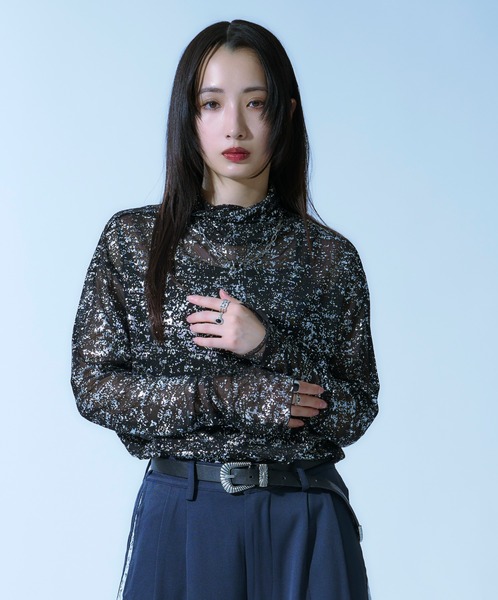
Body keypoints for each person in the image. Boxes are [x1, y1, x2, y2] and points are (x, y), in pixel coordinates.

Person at [71, 19, 379, 600]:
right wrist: (229, 396)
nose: (234, 126)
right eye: (211, 104)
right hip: (185, 511)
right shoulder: (134, 241)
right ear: (187, 117)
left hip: (307, 515)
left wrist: (267, 345)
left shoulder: (330, 258)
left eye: (255, 103)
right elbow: (94, 388)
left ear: (286, 114)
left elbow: (356, 411)